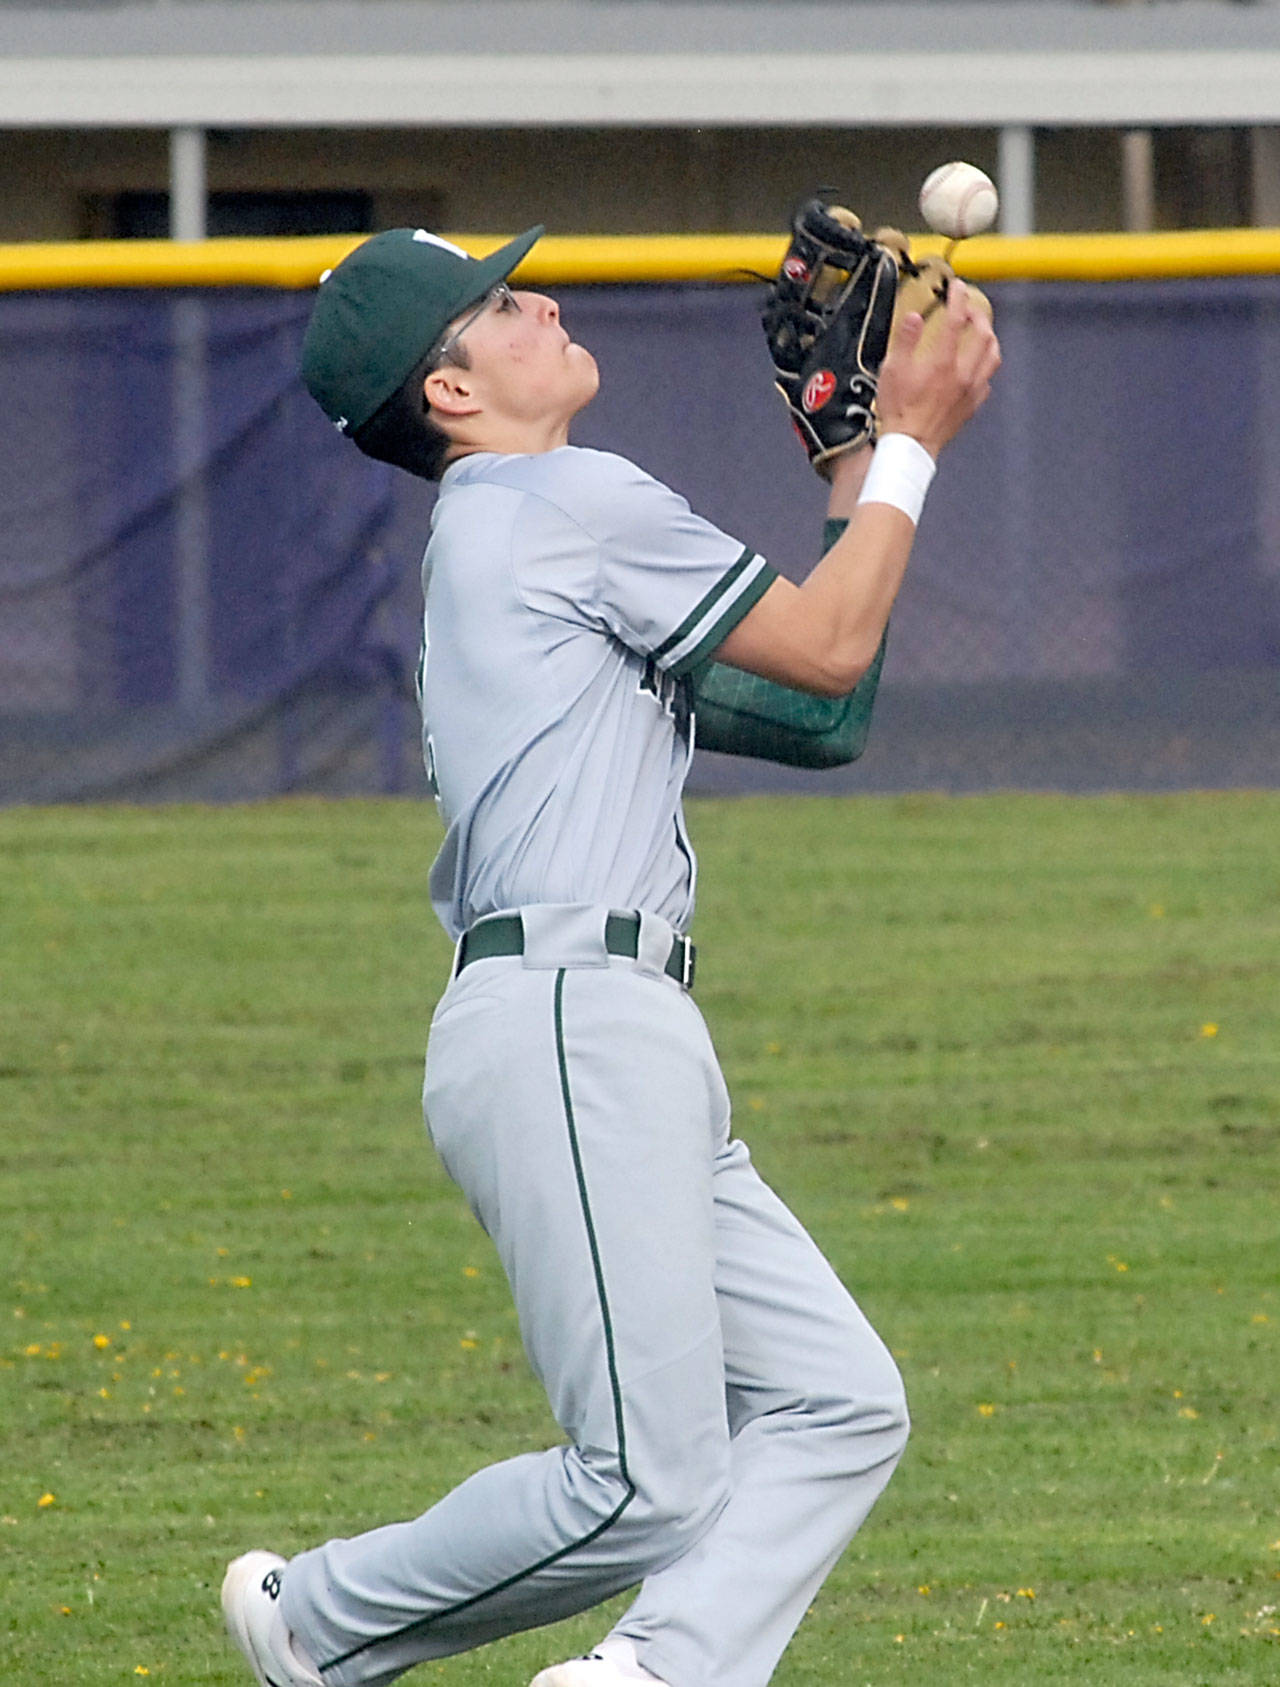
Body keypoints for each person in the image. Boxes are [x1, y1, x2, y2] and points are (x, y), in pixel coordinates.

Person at [221, 221, 999, 1687]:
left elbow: (818, 713)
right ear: (449, 396)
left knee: (840, 1403)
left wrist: (849, 458)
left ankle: (655, 1675)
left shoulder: (518, 535)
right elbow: (832, 652)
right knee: (643, 1479)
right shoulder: (558, 498)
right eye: (505, 306)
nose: (546, 301)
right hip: (574, 1014)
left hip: (609, 1024)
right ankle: (316, 1617)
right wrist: (906, 439)